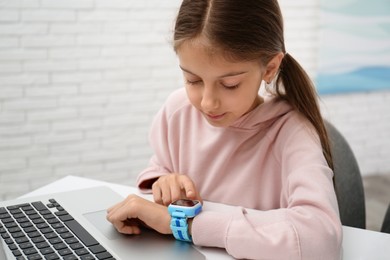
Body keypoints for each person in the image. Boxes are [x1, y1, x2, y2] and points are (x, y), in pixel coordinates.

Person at [106, 0, 343, 259]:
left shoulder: (292, 134)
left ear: (270, 68)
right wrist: (163, 182)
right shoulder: (178, 111)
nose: (208, 102)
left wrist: (189, 225)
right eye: (192, 80)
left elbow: (320, 240)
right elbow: (157, 170)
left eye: (229, 84)